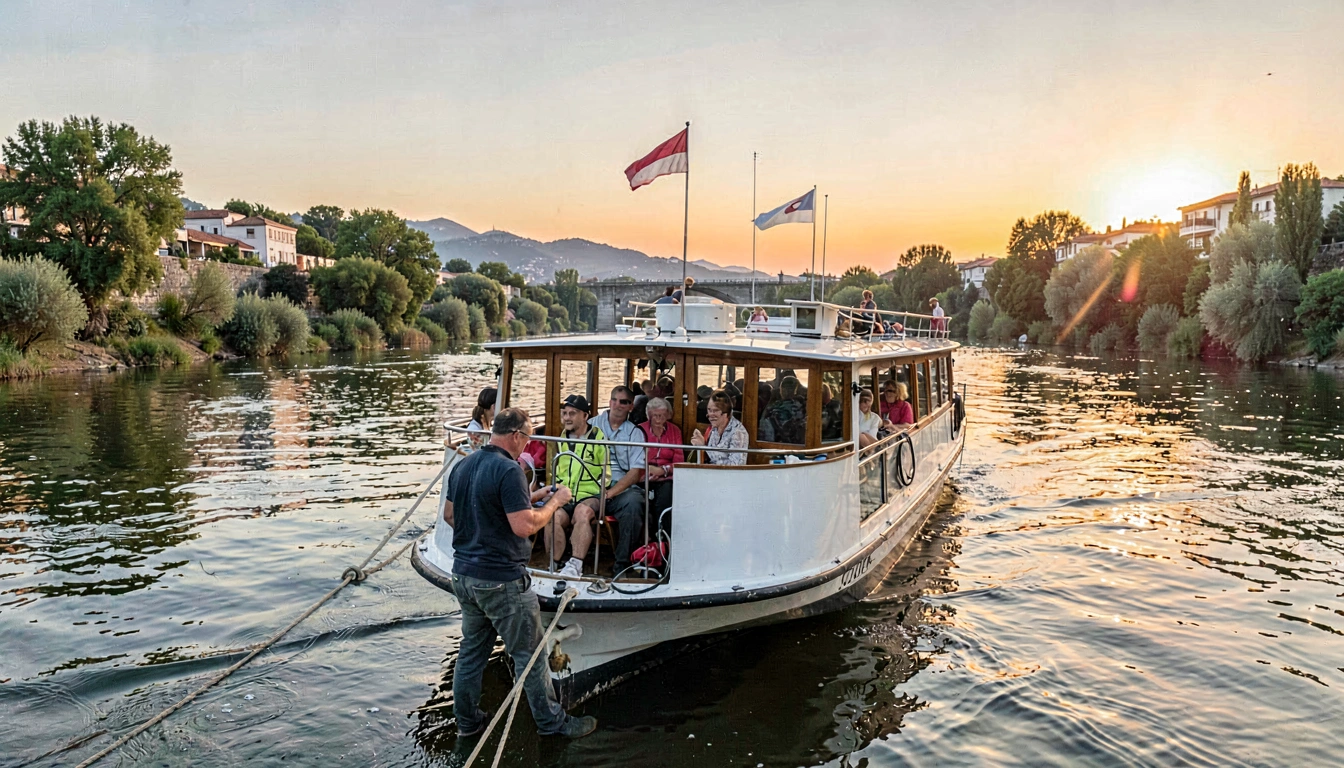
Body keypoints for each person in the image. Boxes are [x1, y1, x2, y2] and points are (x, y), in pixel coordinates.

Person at [443, 407, 597, 740]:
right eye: (526, 438)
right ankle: (551, 724)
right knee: (531, 655)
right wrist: (556, 502)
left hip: (464, 577)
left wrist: (532, 498)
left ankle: (468, 724)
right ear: (516, 435)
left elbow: (450, 515)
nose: (527, 445)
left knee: (471, 653)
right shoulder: (509, 469)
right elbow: (524, 525)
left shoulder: (464, 464)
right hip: (502, 581)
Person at [588, 385, 648, 575]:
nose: (618, 405)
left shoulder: (635, 433)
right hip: (591, 485)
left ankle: (621, 565)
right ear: (609, 401)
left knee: (635, 503)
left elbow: (635, 472)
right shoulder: (591, 425)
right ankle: (567, 564)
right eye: (615, 400)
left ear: (631, 406)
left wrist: (611, 493)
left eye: (624, 402)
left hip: (619, 490)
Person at [545, 395, 606, 577]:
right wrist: (554, 490)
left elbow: (606, 475)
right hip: (566, 494)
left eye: (572, 413)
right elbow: (554, 472)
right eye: (565, 413)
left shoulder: (598, 438)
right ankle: (553, 564)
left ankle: (575, 566)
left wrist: (601, 494)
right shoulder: (561, 439)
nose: (567, 418)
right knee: (552, 516)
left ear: (585, 416)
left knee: (582, 513)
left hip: (591, 494)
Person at [639, 397, 683, 531]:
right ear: (649, 416)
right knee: (638, 500)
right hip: (643, 476)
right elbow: (634, 458)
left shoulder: (675, 431)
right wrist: (646, 471)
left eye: (662, 416)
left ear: (668, 415)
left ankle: (662, 536)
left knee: (665, 497)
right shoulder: (639, 430)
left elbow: (679, 462)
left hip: (667, 478)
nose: (658, 419)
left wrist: (662, 470)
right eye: (655, 416)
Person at [691, 391, 748, 465]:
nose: (710, 414)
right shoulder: (714, 429)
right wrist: (700, 445)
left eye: (715, 411)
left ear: (726, 413)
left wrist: (704, 447)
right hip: (710, 472)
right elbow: (710, 457)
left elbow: (735, 465)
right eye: (709, 410)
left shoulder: (738, 432)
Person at [759, 375, 806, 444]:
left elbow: (763, 426)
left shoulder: (772, 409)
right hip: (796, 446)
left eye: (789, 389)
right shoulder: (803, 407)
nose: (786, 391)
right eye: (785, 388)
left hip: (774, 446)